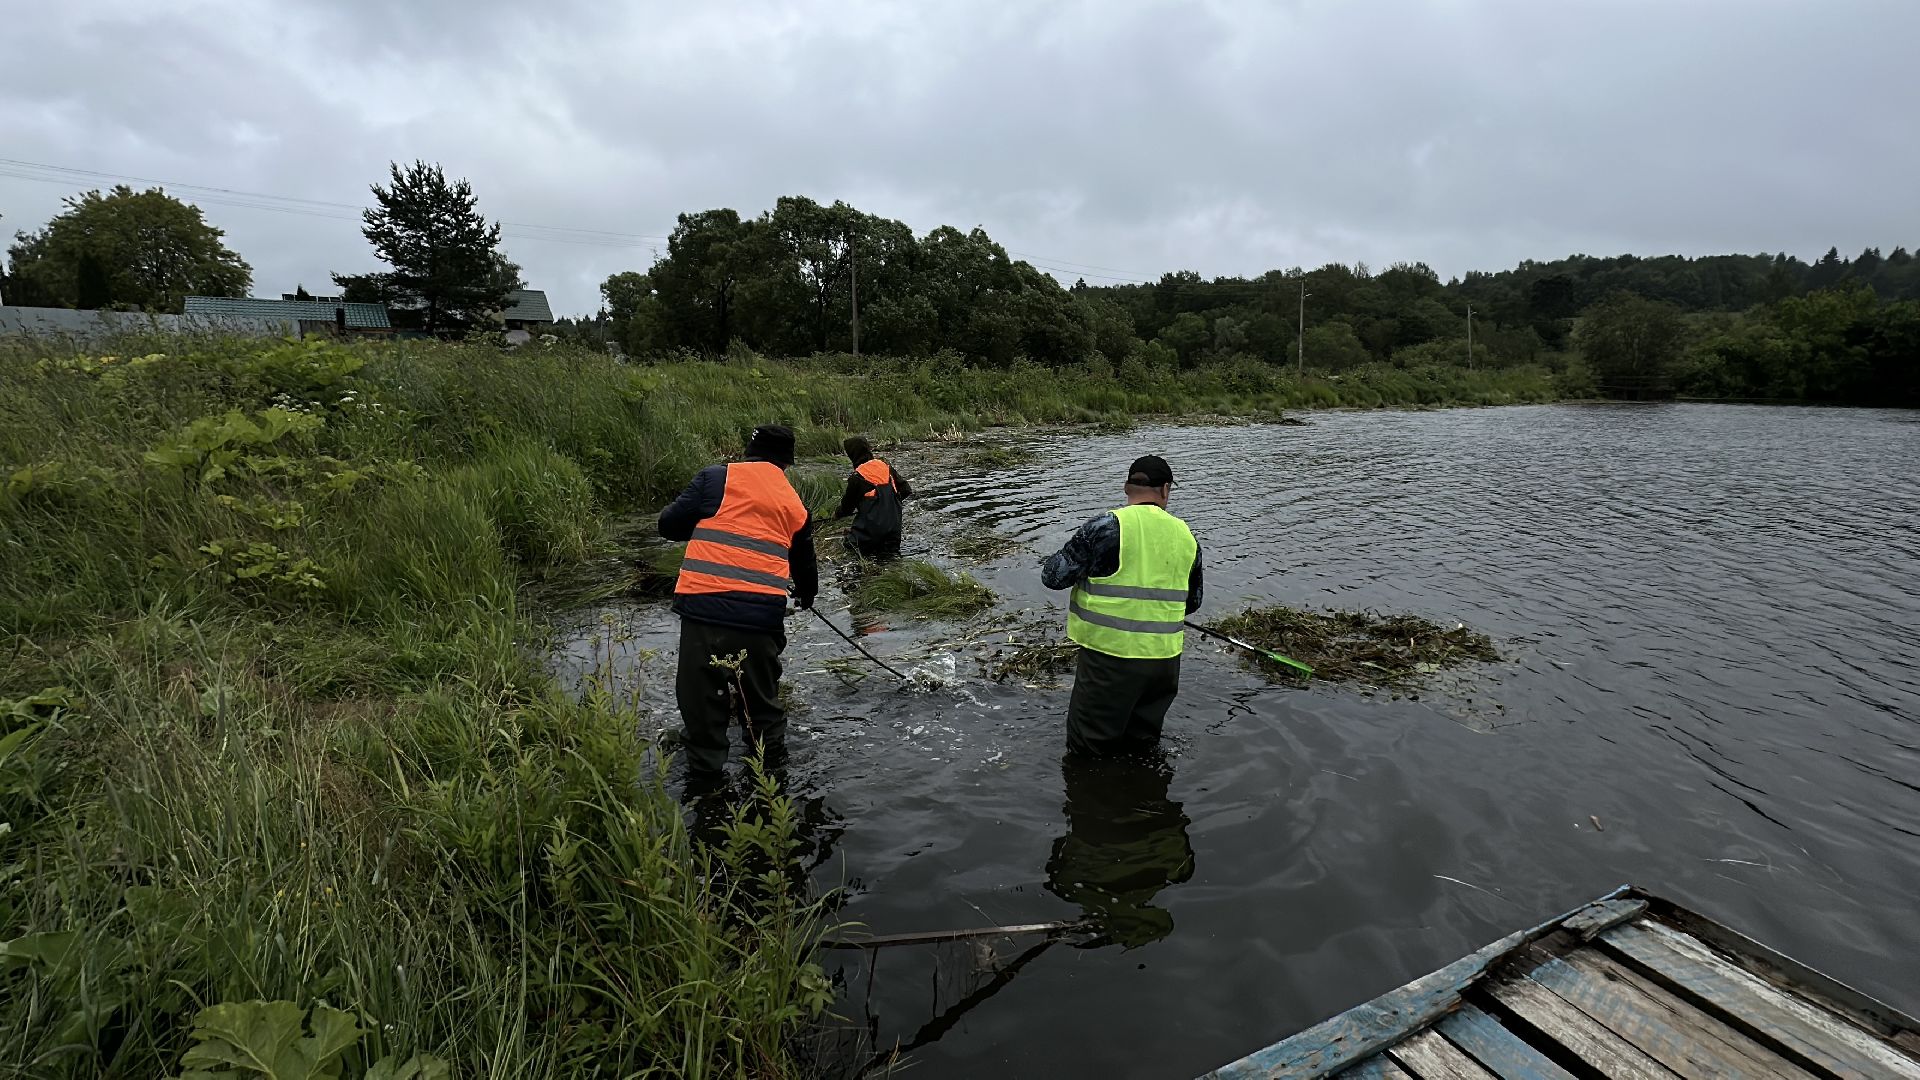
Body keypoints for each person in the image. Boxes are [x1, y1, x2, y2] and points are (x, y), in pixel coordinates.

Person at [658, 424, 817, 780]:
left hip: (702, 612)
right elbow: (806, 567)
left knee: (700, 709)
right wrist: (806, 596)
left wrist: (705, 522)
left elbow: (668, 525)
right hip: (760, 621)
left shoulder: (715, 478)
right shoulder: (795, 505)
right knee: (763, 710)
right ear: (787, 463)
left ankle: (706, 788)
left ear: (749, 452)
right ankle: (772, 782)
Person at [1041, 454, 1202, 756]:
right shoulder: (1187, 536)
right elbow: (1192, 602)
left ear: (1127, 487)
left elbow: (1053, 576)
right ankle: (1146, 786)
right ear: (1165, 489)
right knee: (1143, 748)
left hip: (1110, 659)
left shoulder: (1105, 527)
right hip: (1165, 663)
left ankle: (1090, 787)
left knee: (1088, 750)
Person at [1044, 752, 1195, 948]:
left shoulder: (1068, 886)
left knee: (1097, 757)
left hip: (1106, 803)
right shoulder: (1069, 887)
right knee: (1140, 751)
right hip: (1137, 800)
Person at [832, 435, 912, 558]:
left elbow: (846, 509)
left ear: (853, 454)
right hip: (894, 534)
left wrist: (836, 515)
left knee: (849, 547)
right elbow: (906, 490)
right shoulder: (886, 467)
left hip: (869, 538)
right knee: (891, 559)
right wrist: (888, 504)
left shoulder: (857, 477)